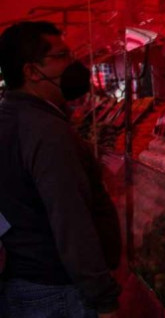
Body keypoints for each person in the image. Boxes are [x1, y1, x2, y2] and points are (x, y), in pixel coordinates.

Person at [0, 21, 121, 318]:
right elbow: (70, 218)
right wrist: (102, 298)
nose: (73, 63)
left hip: (23, 282)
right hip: (55, 292)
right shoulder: (45, 131)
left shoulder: (10, 116)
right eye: (62, 55)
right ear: (31, 71)